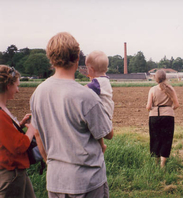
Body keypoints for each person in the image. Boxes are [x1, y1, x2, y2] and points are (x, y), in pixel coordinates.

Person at [30, 32, 113, 198]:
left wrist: (48, 161)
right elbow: (107, 133)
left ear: (51, 60)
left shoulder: (38, 93)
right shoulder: (86, 96)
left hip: (56, 180)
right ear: (77, 59)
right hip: (87, 181)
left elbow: (37, 133)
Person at [0, 65, 36, 198]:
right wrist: (32, 128)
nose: (18, 90)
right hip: (10, 174)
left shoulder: (3, 108)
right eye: (16, 85)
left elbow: (6, 136)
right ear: (8, 85)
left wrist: (19, 125)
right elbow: (18, 146)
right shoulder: (1, 114)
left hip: (16, 171)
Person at [146, 69, 179, 167]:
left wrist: (153, 108)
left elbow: (148, 107)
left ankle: (156, 162)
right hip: (168, 117)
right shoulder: (171, 89)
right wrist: (169, 109)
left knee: (155, 138)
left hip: (154, 117)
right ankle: (162, 164)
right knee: (166, 139)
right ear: (166, 77)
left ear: (155, 78)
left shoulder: (152, 89)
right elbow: (176, 105)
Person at [85, 50, 114, 153]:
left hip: (103, 111)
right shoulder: (105, 80)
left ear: (91, 69)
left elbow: (83, 91)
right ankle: (102, 146)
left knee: (96, 125)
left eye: (87, 68)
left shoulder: (97, 82)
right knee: (99, 129)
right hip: (108, 109)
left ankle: (101, 145)